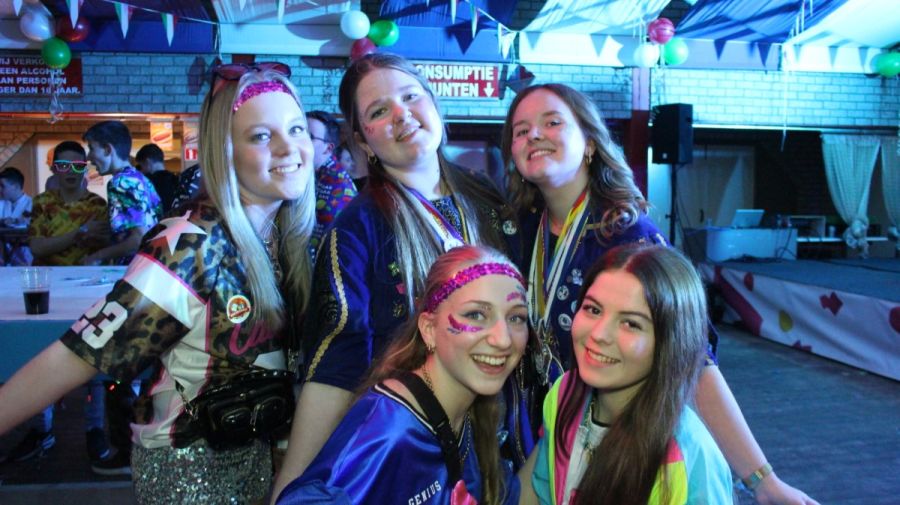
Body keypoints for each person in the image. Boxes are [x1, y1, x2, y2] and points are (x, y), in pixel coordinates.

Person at [0, 62, 316, 504]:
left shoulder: (288, 240)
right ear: (225, 151)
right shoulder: (191, 244)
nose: (288, 147)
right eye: (261, 136)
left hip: (257, 460)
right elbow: (81, 354)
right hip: (193, 471)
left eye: (297, 129)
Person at [502, 83, 819, 505]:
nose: (535, 135)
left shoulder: (628, 236)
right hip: (552, 426)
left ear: (590, 143)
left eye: (552, 122)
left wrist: (762, 480)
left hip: (624, 444)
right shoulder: (520, 229)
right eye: (521, 130)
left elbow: (691, 357)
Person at [273, 52, 516, 501]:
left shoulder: (486, 198)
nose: (401, 115)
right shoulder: (356, 228)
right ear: (363, 141)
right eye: (379, 111)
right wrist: (292, 480)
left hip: (503, 443)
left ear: (434, 103)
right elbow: (336, 366)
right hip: (415, 460)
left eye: (410, 97)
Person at [277, 245, 523, 504]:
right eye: (476, 315)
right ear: (429, 329)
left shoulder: (472, 413)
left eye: (516, 317)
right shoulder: (392, 429)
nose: (503, 339)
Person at [519, 244, 732, 505]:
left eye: (631, 323)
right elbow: (540, 489)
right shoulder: (564, 394)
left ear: (671, 341)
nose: (599, 334)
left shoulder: (689, 460)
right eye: (593, 309)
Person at [82, 120, 162, 265]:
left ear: (107, 150)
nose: (88, 157)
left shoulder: (120, 183)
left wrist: (96, 256)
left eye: (91, 148)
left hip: (133, 270)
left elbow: (138, 240)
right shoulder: (140, 179)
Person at [29, 141, 108, 266]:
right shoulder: (42, 202)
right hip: (48, 274)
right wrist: (82, 231)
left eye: (78, 166)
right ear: (54, 169)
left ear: (85, 169)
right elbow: (37, 248)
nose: (71, 171)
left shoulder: (97, 204)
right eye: (64, 166)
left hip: (84, 274)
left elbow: (104, 246)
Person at [306, 110, 357, 259]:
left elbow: (320, 254)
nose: (298, 141)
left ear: (328, 148)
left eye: (309, 136)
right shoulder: (315, 175)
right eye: (296, 131)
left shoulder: (335, 187)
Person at [0, 167, 34, 265]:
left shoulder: (32, 204)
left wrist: (15, 221)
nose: (0, 189)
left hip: (27, 257)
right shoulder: (2, 203)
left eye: (2, 186)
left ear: (15, 186)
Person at [135, 143, 178, 214]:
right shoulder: (175, 179)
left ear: (147, 162)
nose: (142, 170)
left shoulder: (147, 182)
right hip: (173, 219)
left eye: (141, 166)